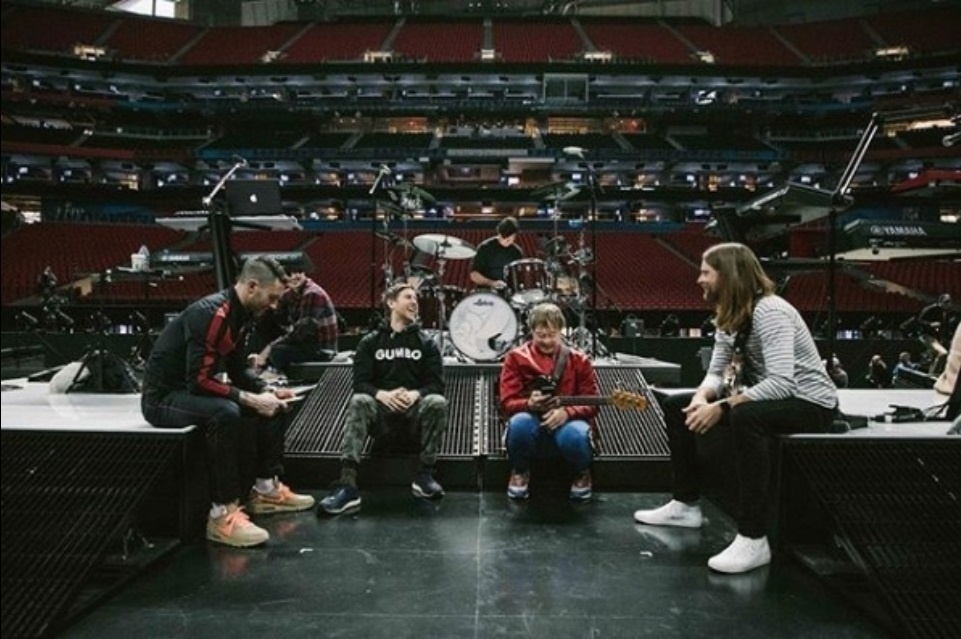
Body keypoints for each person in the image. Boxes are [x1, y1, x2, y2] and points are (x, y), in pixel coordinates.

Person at [633, 242, 837, 574]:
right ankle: (685, 504)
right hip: (765, 397)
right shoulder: (729, 315)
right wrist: (702, 398)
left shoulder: (771, 311)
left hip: (810, 402)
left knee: (744, 416)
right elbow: (716, 373)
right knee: (675, 405)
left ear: (729, 275)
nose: (699, 279)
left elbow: (783, 383)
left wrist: (723, 408)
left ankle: (753, 538)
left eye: (706, 272)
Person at [141, 257, 315, 548]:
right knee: (226, 412)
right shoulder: (213, 313)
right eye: (272, 298)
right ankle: (222, 514)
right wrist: (249, 398)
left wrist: (265, 389)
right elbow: (199, 380)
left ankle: (264, 489)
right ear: (251, 286)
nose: (274, 306)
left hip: (189, 391)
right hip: (163, 399)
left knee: (273, 402)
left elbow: (237, 370)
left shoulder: (242, 315)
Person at [319, 281, 448, 515]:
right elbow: (360, 383)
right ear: (391, 303)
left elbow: (436, 384)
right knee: (360, 400)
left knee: (437, 402)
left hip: (413, 414)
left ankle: (425, 475)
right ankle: (347, 486)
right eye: (408, 297)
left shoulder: (427, 344)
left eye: (416, 299)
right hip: (381, 415)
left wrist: (414, 394)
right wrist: (382, 394)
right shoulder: (370, 342)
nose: (414, 302)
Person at [499, 302, 599, 501]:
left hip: (568, 423)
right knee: (519, 425)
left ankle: (581, 473)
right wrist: (529, 404)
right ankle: (520, 471)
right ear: (531, 332)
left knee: (576, 436)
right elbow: (507, 403)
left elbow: (593, 403)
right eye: (541, 335)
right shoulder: (515, 358)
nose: (547, 341)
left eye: (552, 335)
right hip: (531, 420)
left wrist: (567, 413)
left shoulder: (579, 360)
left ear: (561, 332)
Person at [248, 267, 339, 376]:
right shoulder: (289, 294)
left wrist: (269, 348)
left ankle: (270, 369)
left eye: (299, 272)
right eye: (290, 273)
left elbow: (302, 332)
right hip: (304, 342)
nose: (295, 276)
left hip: (321, 348)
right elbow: (276, 318)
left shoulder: (312, 293)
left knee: (278, 351)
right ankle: (259, 363)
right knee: (265, 324)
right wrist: (269, 305)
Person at [469, 216, 523, 293]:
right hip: (487, 292)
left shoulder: (516, 252)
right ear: (499, 233)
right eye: (505, 238)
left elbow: (519, 277)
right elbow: (474, 275)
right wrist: (492, 283)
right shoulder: (485, 248)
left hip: (509, 292)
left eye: (511, 238)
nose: (507, 241)